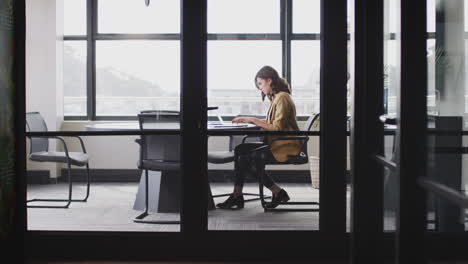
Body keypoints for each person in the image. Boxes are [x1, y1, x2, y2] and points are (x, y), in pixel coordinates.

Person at [217, 65, 302, 209]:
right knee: (241, 149)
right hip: (278, 142)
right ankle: (239, 194)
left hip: (285, 145)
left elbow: (277, 128)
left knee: (245, 158)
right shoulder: (278, 97)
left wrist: (252, 119)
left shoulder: (282, 98)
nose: (260, 88)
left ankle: (274, 192)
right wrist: (250, 120)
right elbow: (273, 123)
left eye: (261, 84)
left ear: (269, 81)